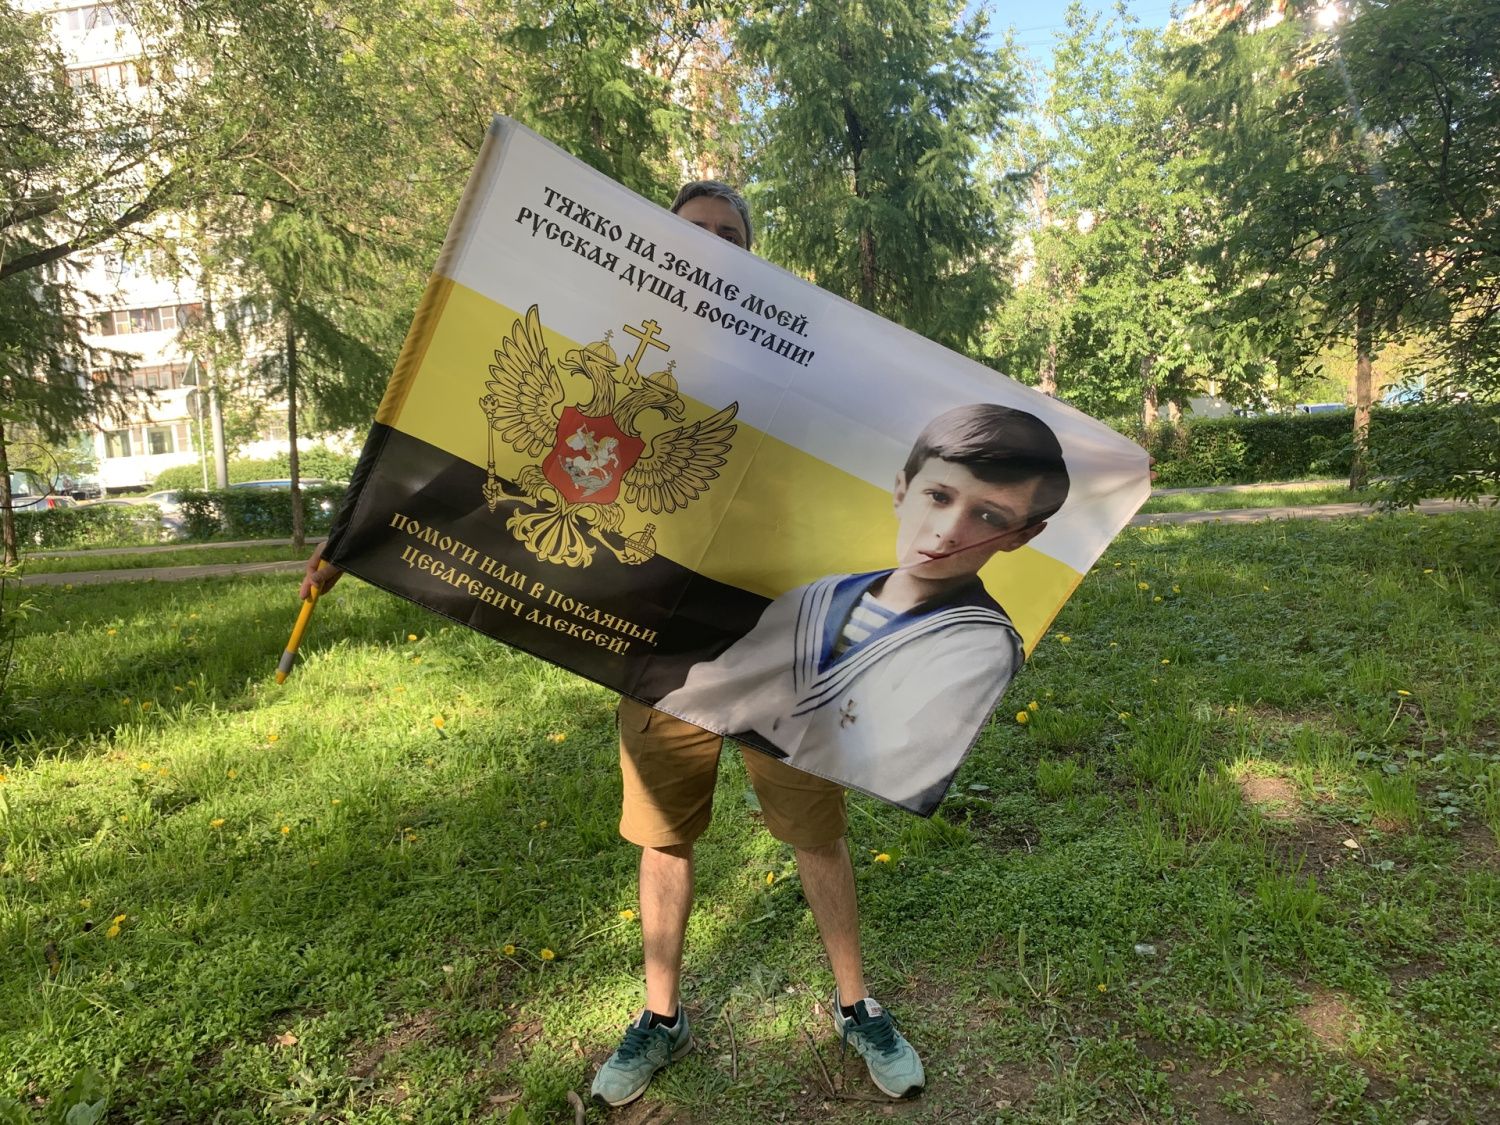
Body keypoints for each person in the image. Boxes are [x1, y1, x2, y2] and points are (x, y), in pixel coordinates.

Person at [299, 181, 926, 1110]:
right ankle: (661, 1016)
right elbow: (478, 452)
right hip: (660, 645)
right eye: (694, 233)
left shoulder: (794, 365)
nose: (712, 245)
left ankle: (856, 1004)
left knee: (815, 830)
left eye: (729, 234)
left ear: (751, 254)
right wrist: (356, 540)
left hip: (774, 644)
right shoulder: (610, 345)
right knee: (663, 836)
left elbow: (870, 459)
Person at [657, 403, 1070, 812]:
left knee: (817, 836)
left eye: (988, 517)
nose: (948, 533)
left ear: (1021, 536)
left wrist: (767, 711)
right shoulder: (819, 593)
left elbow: (904, 763)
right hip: (785, 755)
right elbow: (719, 680)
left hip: (812, 776)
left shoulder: (981, 643)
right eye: (939, 497)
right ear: (901, 491)